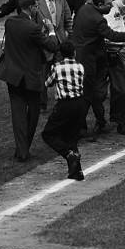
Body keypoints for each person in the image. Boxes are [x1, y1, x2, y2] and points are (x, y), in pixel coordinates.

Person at [0, 0, 58, 162]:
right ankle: (23, 150)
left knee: (18, 114)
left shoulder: (10, 22)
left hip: (12, 75)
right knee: (33, 113)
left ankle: (21, 151)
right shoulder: (33, 28)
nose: (37, 8)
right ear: (31, 7)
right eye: (36, 6)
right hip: (30, 76)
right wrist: (51, 30)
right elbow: (52, 46)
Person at [71, 0, 125, 135]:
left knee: (118, 90)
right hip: (94, 59)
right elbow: (112, 36)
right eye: (108, 4)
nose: (111, 6)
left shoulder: (85, 9)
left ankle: (112, 122)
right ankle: (92, 124)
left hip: (96, 57)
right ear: (99, 4)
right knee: (94, 94)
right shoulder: (98, 19)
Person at [41, 41, 86, 180]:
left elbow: (47, 83)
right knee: (72, 137)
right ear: (74, 52)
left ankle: (69, 155)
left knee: (48, 134)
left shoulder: (57, 67)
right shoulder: (80, 66)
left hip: (64, 105)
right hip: (80, 104)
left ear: (61, 54)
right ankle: (76, 172)